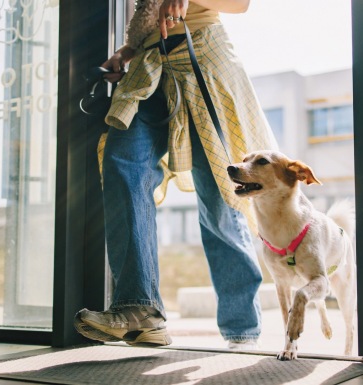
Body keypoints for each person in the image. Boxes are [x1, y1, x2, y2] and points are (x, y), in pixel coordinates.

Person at [74, 0, 277, 349]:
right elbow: (148, 14)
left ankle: (242, 329)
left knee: (218, 196)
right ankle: (140, 309)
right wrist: (126, 52)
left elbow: (240, 4)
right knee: (122, 162)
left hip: (201, 56)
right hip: (147, 66)